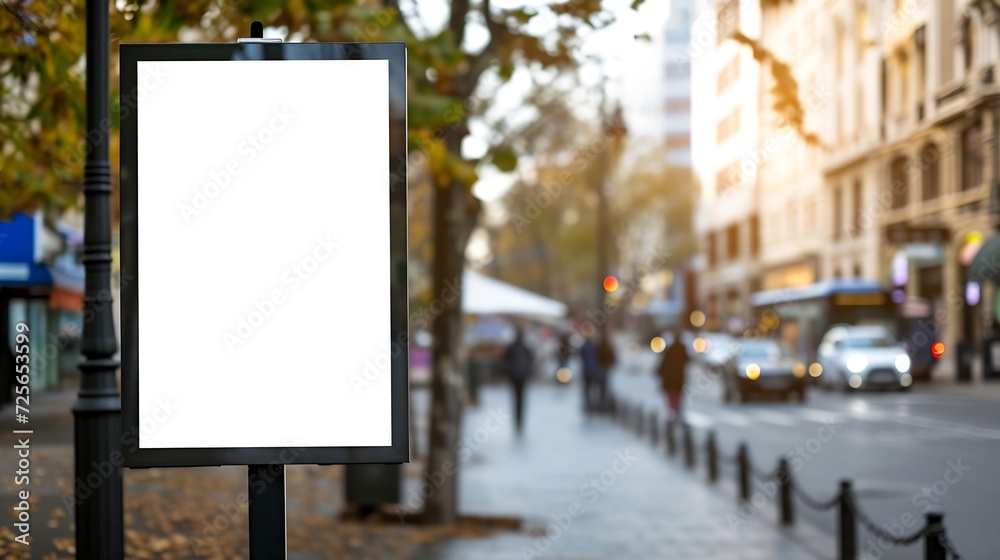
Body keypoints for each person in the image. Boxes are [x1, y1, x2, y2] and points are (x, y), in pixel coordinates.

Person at [503, 327, 534, 433]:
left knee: (516, 397)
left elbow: (505, 359)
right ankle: (519, 418)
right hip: (521, 376)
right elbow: (530, 360)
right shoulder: (525, 348)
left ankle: (517, 418)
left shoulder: (512, 347)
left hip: (514, 375)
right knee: (521, 397)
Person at [658, 330, 689, 422]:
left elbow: (664, 364)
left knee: (671, 395)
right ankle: (676, 411)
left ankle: (672, 412)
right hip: (678, 377)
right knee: (677, 395)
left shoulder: (670, 349)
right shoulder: (682, 348)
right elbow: (687, 360)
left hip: (671, 378)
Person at [595, 332, 617, 411]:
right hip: (604, 368)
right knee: (604, 386)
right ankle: (603, 402)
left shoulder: (601, 347)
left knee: (602, 386)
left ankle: (602, 402)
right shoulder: (606, 347)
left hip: (602, 368)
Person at [580, 334, 600, 412]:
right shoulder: (594, 346)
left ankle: (588, 403)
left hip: (586, 370)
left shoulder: (584, 346)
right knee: (593, 388)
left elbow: (582, 356)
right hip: (593, 370)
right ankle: (593, 403)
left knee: (587, 388)